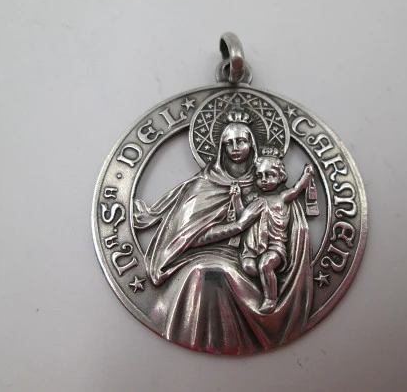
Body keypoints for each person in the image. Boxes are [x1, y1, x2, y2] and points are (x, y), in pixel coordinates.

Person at [133, 115, 313, 354]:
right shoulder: (204, 184)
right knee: (200, 273)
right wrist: (232, 227)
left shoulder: (267, 183)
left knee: (231, 271)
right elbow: (186, 234)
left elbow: (288, 214)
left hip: (257, 251)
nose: (235, 148)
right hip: (200, 254)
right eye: (229, 143)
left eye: (241, 141)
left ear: (252, 144)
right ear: (221, 147)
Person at [196, 150, 315, 314]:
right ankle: (262, 286)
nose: (264, 180)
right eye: (259, 176)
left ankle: (271, 299)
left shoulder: (282, 198)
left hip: (275, 246)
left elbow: (297, 188)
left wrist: (307, 175)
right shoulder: (255, 201)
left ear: (281, 177)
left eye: (269, 175)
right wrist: (236, 198)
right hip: (252, 248)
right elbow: (242, 216)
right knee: (248, 267)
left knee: (266, 264)